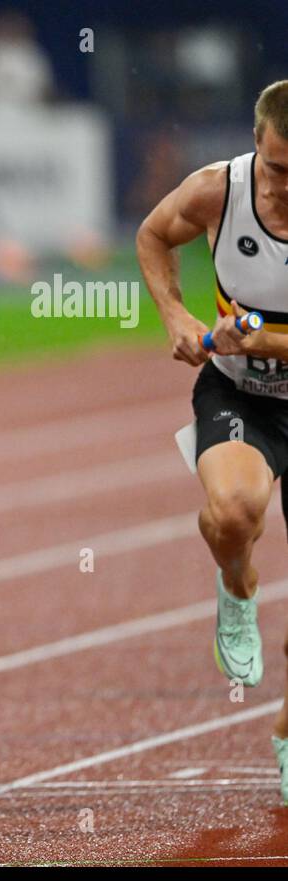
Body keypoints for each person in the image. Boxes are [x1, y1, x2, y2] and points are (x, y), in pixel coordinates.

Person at [137, 79, 288, 806]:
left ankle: (287, 735)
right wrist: (176, 316)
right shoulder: (215, 190)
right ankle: (237, 586)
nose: (285, 186)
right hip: (239, 396)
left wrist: (263, 337)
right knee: (234, 513)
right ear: (256, 146)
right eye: (277, 169)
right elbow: (152, 234)